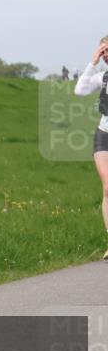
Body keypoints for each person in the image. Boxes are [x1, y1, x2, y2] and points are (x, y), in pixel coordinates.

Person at [73, 35, 108, 262]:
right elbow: (80, 90)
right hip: (104, 134)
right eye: (103, 52)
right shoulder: (102, 77)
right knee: (107, 188)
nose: (106, 55)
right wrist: (92, 61)